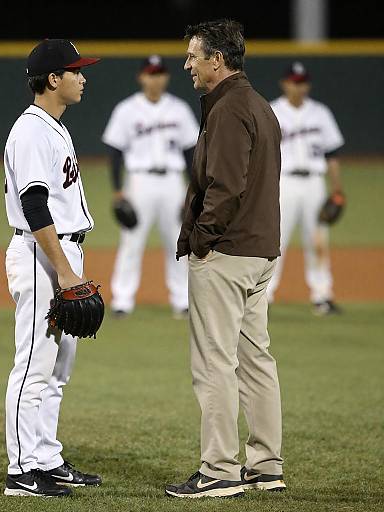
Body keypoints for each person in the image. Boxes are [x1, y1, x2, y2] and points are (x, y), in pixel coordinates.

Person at [165, 20, 285, 499]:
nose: (187, 64)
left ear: (218, 59)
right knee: (256, 359)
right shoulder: (258, 103)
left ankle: (218, 471)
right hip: (259, 251)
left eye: (193, 56)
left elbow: (227, 185)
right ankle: (265, 465)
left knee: (215, 363)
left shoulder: (230, 108)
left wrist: (201, 239)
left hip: (228, 252)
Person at [3, 39, 102, 498]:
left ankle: (46, 458)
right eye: (76, 70)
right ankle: (22, 470)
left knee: (58, 369)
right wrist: (64, 271)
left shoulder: (54, 127)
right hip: (44, 255)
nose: (83, 77)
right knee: (33, 365)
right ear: (53, 79)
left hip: (61, 254)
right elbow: (34, 205)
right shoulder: (31, 132)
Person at [102, 55, 199, 319]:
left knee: (179, 242)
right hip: (139, 180)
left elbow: (192, 152)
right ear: (141, 77)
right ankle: (122, 300)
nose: (154, 78)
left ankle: (182, 300)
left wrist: (192, 189)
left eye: (159, 73)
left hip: (172, 180)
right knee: (131, 241)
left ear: (166, 77)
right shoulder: (126, 110)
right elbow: (115, 152)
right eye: (150, 73)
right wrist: (117, 191)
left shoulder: (179, 109)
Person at [266, 62, 345, 315]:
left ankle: (322, 295)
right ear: (284, 84)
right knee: (274, 241)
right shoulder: (272, 111)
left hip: (314, 183)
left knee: (318, 241)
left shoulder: (320, 113)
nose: (299, 87)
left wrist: (337, 189)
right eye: (294, 82)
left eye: (302, 82)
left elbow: (331, 154)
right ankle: (263, 296)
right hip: (284, 183)